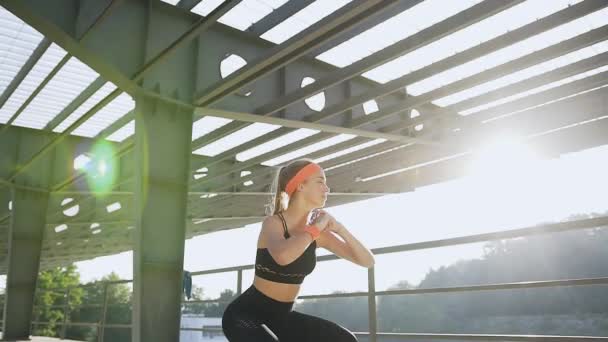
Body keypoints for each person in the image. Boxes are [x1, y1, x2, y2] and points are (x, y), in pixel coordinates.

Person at [222, 159, 375, 341]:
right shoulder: (274, 224)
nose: (327, 189)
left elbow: (367, 261)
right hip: (245, 316)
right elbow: (283, 256)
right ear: (301, 185)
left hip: (282, 317)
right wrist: (316, 228)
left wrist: (340, 229)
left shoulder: (317, 234)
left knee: (345, 339)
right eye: (320, 182)